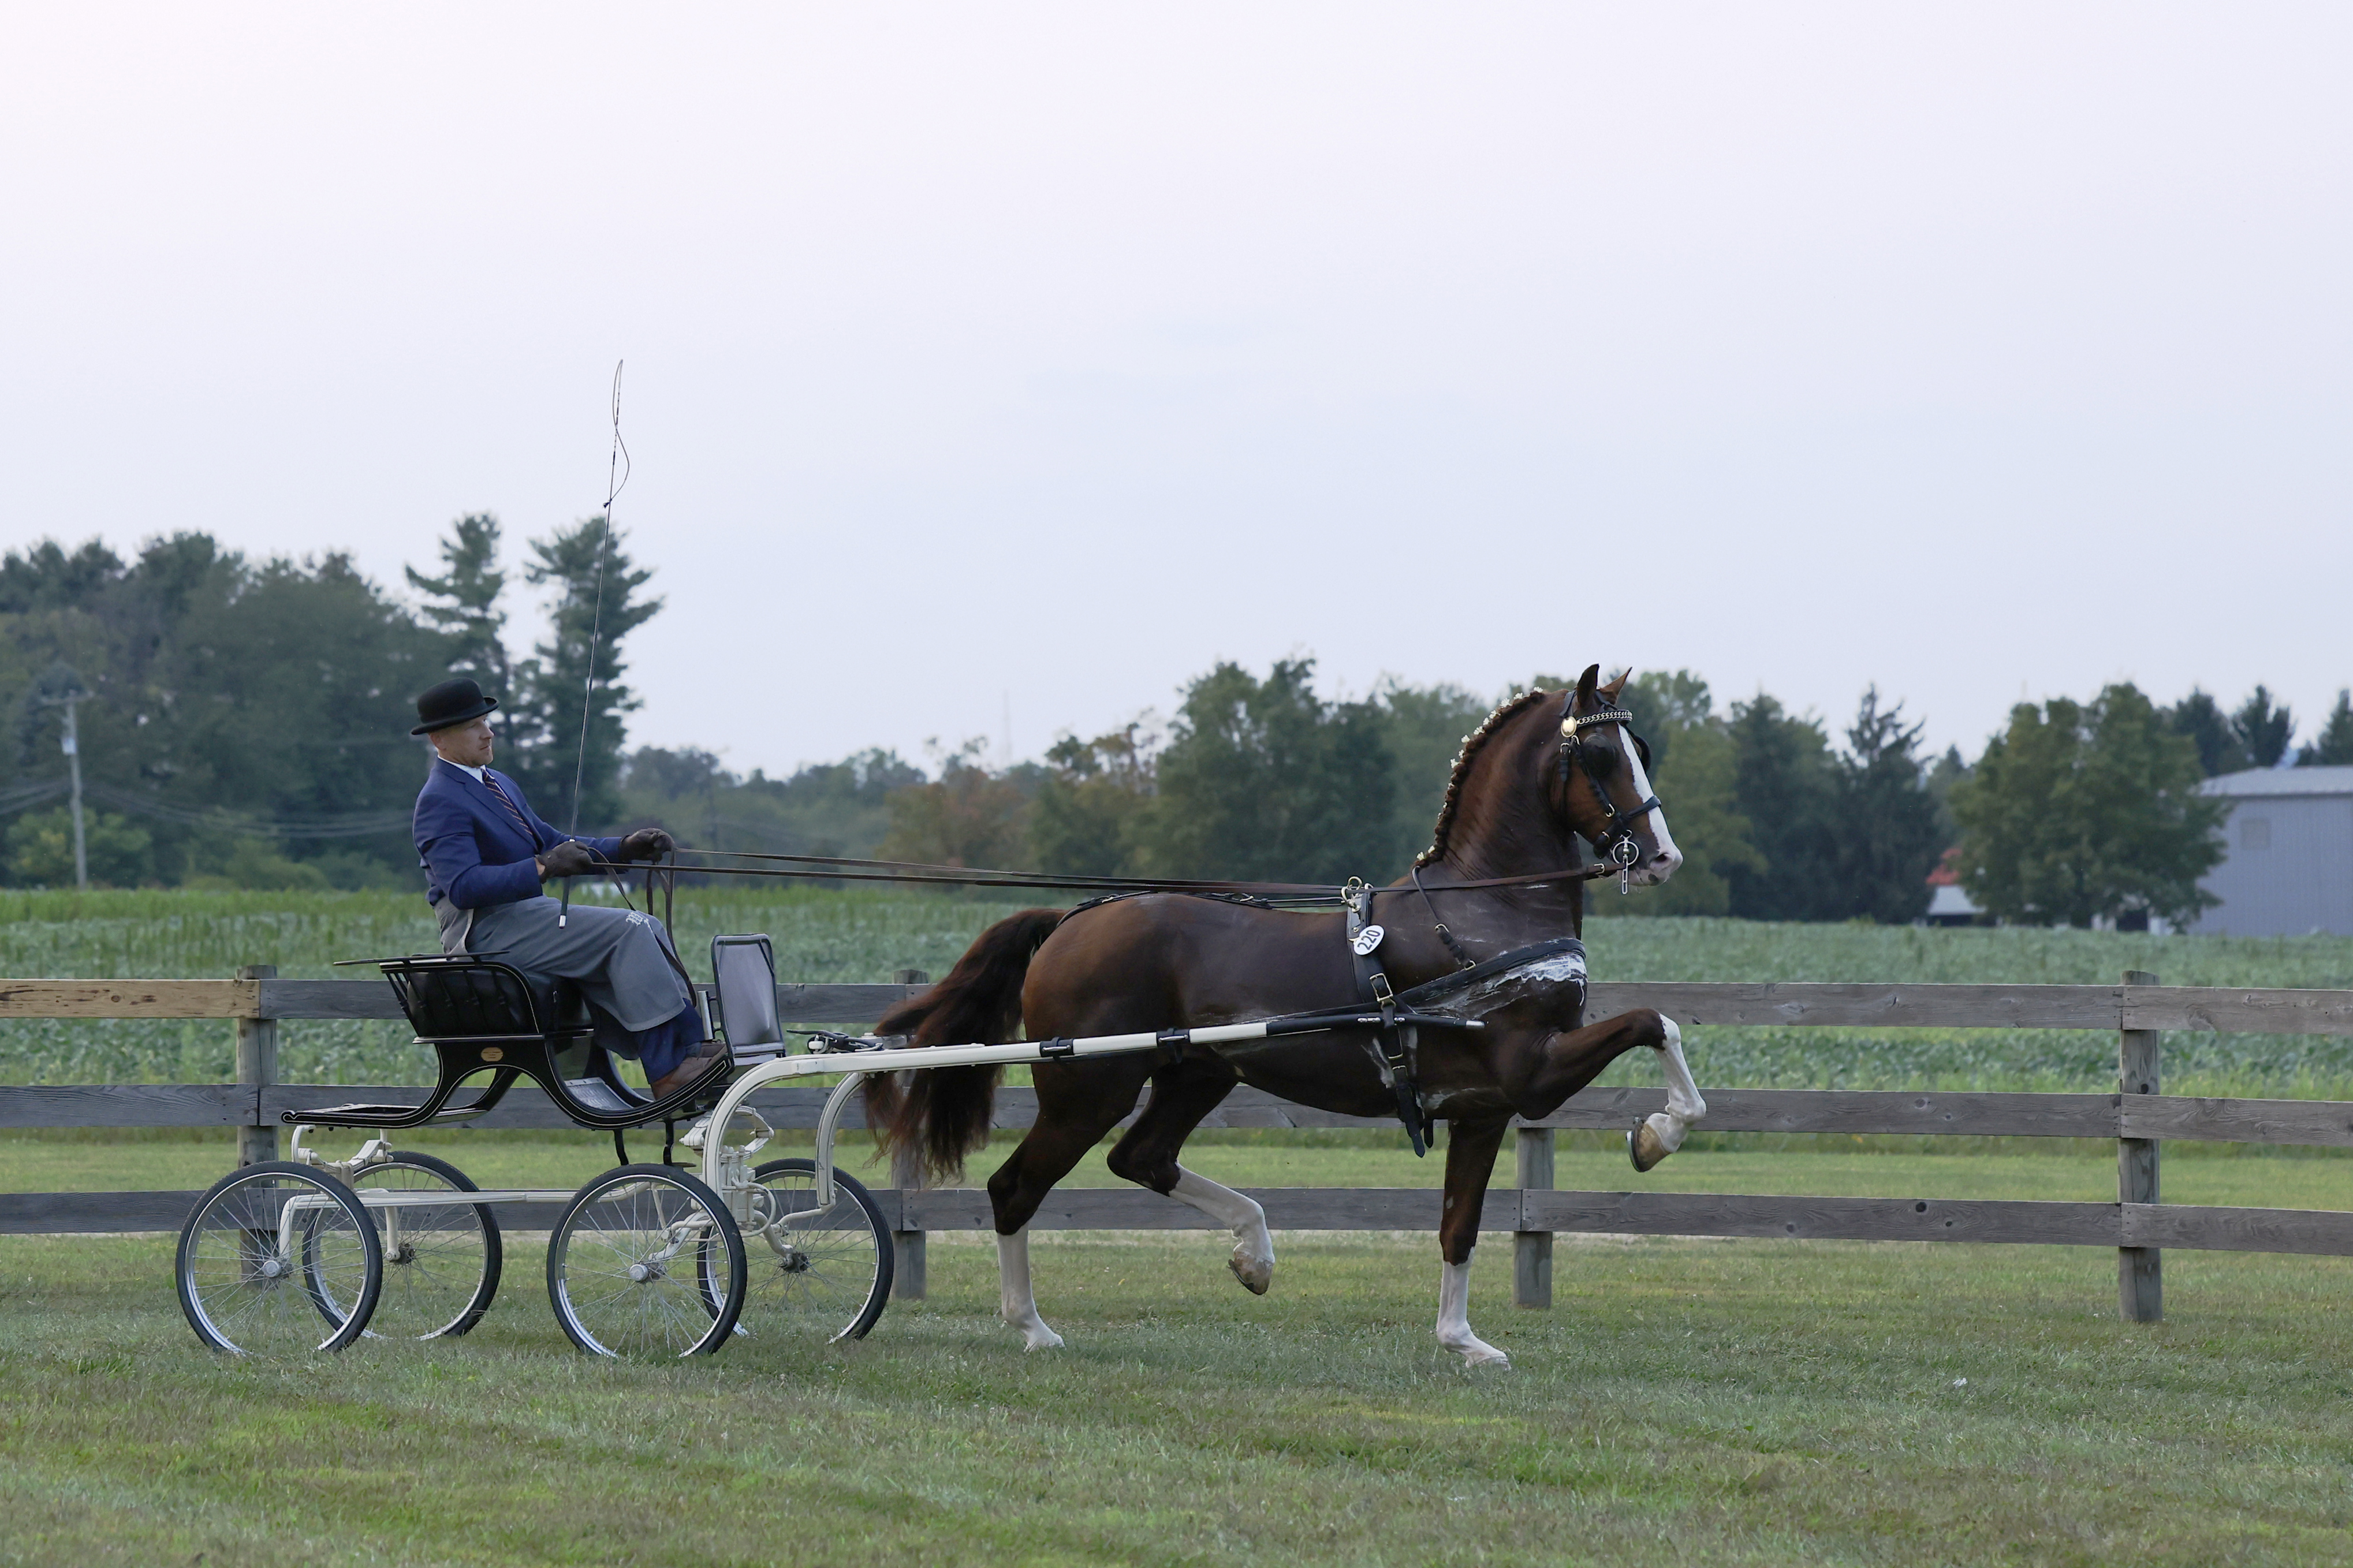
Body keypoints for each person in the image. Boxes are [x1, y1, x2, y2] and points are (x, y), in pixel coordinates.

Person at [409, 676, 724, 1097]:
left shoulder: (497, 783)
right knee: (629, 929)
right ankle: (667, 1070)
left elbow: (554, 843)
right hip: (482, 930)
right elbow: (464, 886)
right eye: (472, 726)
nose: (488, 732)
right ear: (439, 739)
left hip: (525, 917)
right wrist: (542, 868)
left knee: (646, 925)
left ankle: (688, 1049)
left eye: (485, 721)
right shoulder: (440, 798)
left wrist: (624, 849)